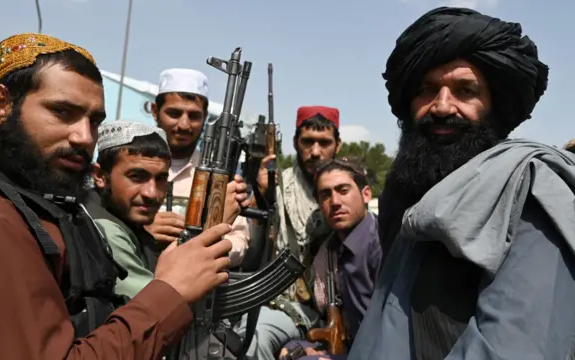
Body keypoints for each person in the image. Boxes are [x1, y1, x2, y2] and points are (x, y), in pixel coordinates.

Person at [0, 33, 233, 360]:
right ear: (1, 105)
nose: (84, 136)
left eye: (94, 121)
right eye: (62, 111)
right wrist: (169, 292)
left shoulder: (42, 208)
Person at [346, 7, 575, 360]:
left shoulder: (527, 188)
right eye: (427, 89)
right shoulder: (405, 192)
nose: (441, 106)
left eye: (465, 90)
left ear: (493, 105)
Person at [236, 106, 342, 360]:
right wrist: (261, 199)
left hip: (339, 305)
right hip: (286, 305)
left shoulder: (347, 189)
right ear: (295, 143)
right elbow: (251, 258)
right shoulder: (277, 186)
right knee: (253, 335)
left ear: (337, 144)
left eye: (324, 142)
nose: (315, 151)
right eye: (308, 142)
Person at [279, 159, 381, 360]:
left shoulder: (381, 244)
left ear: (366, 194)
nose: (334, 202)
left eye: (343, 190)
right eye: (326, 195)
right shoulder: (328, 252)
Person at [148, 68, 251, 266]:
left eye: (194, 116)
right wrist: (142, 232)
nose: (184, 125)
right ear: (155, 111)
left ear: (205, 117)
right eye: (174, 113)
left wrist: (204, 244)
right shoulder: (132, 167)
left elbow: (239, 240)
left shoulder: (217, 178)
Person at [84, 121, 172, 298]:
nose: (151, 193)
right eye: (137, 177)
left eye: (161, 178)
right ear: (100, 176)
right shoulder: (105, 229)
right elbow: (158, 305)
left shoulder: (122, 217)